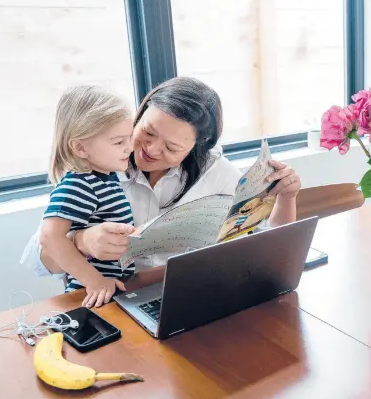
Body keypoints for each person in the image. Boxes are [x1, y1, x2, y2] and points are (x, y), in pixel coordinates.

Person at [21, 77, 301, 307]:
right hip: (112, 297)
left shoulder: (218, 173)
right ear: (138, 115)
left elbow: (268, 249)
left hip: (185, 294)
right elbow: (39, 260)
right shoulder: (99, 162)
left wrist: (286, 198)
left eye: (172, 148)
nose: (151, 150)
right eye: (148, 132)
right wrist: (82, 241)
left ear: (196, 148)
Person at [40, 86, 135, 307]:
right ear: (80, 147)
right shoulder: (79, 184)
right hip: (93, 294)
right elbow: (50, 237)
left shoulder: (106, 177)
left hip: (112, 288)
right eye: (119, 142)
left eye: (130, 138)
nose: (129, 147)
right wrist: (95, 281)